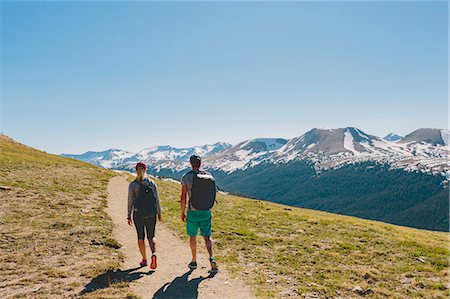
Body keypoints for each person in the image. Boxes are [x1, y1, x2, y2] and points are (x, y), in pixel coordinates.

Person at [180, 155, 218, 273]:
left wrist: (182, 212)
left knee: (193, 236)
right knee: (207, 236)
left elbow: (183, 196)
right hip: (206, 210)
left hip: (193, 211)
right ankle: (211, 257)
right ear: (200, 163)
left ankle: (194, 260)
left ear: (190, 163)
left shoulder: (187, 177)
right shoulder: (209, 176)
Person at [128, 162, 162, 269]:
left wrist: (128, 215)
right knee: (151, 236)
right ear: (145, 170)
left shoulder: (133, 185)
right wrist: (159, 213)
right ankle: (154, 253)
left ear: (136, 170)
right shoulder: (151, 183)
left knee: (140, 236)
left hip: (138, 214)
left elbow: (130, 201)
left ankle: (144, 259)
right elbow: (157, 199)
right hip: (151, 214)